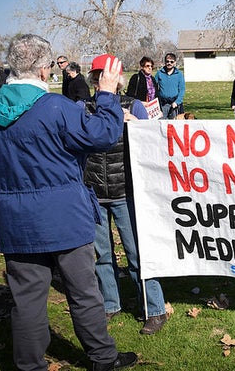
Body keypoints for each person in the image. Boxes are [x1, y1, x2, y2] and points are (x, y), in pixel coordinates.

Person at [0, 35, 137, 371]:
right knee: (84, 294)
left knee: (27, 301)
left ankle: (29, 366)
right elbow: (105, 134)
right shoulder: (57, 108)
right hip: (66, 217)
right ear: (43, 69)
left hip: (17, 221)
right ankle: (103, 359)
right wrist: (107, 94)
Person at [84, 54, 168, 335]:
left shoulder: (135, 106)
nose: (101, 81)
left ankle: (154, 309)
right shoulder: (82, 108)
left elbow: (156, 143)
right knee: (102, 256)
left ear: (118, 79)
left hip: (127, 193)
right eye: (97, 76)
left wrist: (137, 126)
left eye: (106, 75)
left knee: (137, 254)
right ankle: (110, 304)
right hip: (94, 194)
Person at [154, 53, 185, 118]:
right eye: (167, 61)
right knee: (162, 124)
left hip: (175, 104)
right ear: (165, 62)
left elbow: (182, 90)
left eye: (171, 62)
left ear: (175, 63)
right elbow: (153, 88)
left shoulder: (179, 74)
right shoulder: (159, 73)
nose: (169, 63)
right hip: (163, 104)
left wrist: (177, 102)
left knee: (175, 125)